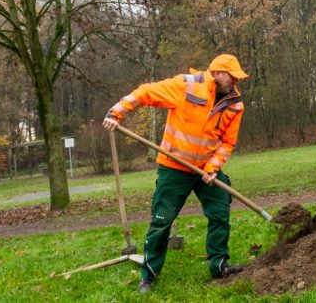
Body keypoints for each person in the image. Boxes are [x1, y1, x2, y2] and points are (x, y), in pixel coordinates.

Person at [103, 54, 249, 293]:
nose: (236, 82)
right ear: (218, 73)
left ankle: (219, 265)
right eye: (232, 77)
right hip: (174, 167)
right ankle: (149, 275)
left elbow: (227, 143)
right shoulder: (187, 85)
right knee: (162, 221)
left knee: (220, 212)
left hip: (205, 169)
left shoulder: (235, 104)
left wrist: (212, 168)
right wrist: (116, 112)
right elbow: (146, 92)